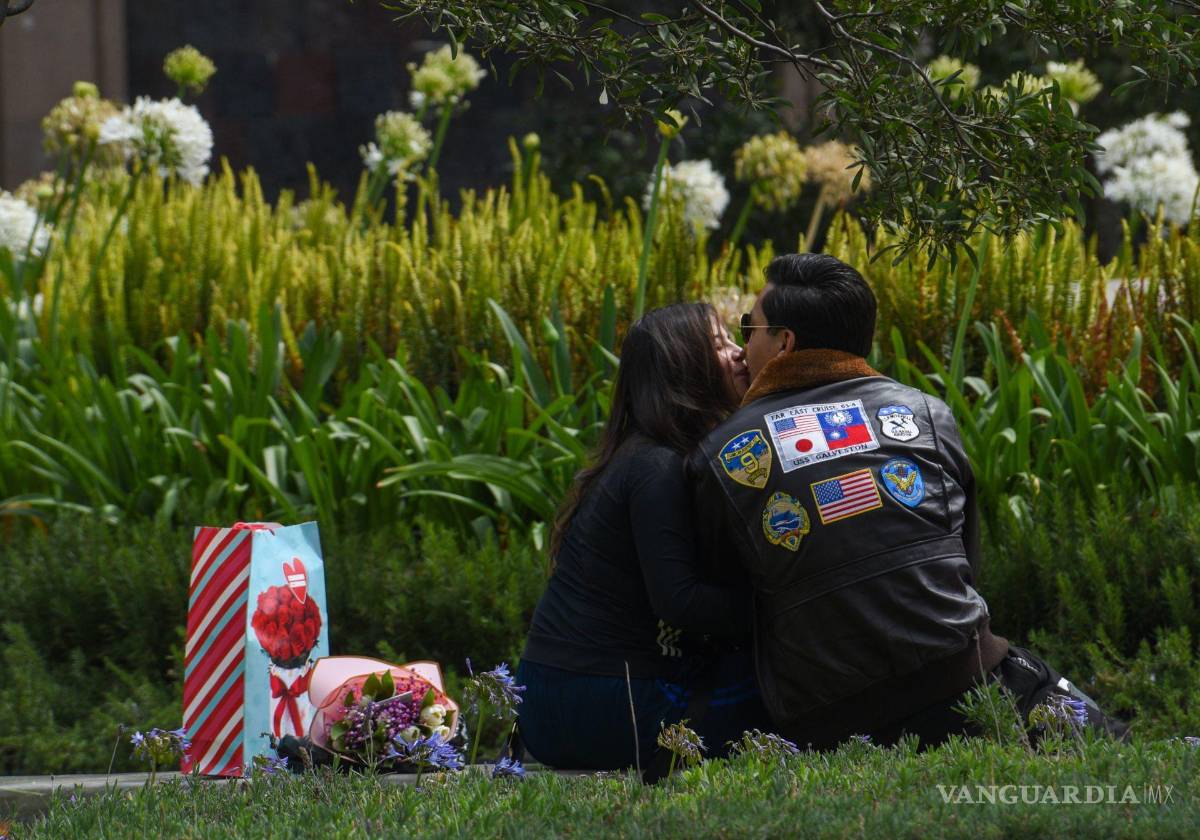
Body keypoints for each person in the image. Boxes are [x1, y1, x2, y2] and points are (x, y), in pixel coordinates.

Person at [688, 252, 1126, 749]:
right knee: (1119, 749)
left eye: (749, 327)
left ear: (785, 343)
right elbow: (964, 562)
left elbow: (725, 598)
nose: (743, 348)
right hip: (962, 680)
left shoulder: (720, 455)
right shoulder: (925, 413)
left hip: (826, 719)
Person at [516, 302, 771, 778]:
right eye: (719, 345)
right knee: (778, 688)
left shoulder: (645, 456)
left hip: (558, 702)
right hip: (596, 704)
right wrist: (779, 610)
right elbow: (679, 600)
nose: (738, 354)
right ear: (685, 368)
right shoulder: (657, 466)